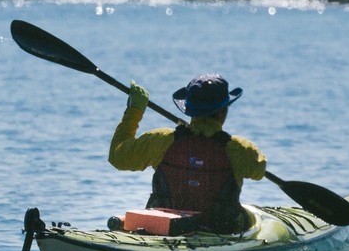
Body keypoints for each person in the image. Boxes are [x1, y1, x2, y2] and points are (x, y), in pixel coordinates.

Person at [108, 73, 267, 234]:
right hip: (220, 229)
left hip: (163, 226)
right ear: (223, 111)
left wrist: (134, 111)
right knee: (251, 218)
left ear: (188, 110)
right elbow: (259, 171)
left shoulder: (160, 140)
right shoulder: (241, 150)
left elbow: (117, 157)